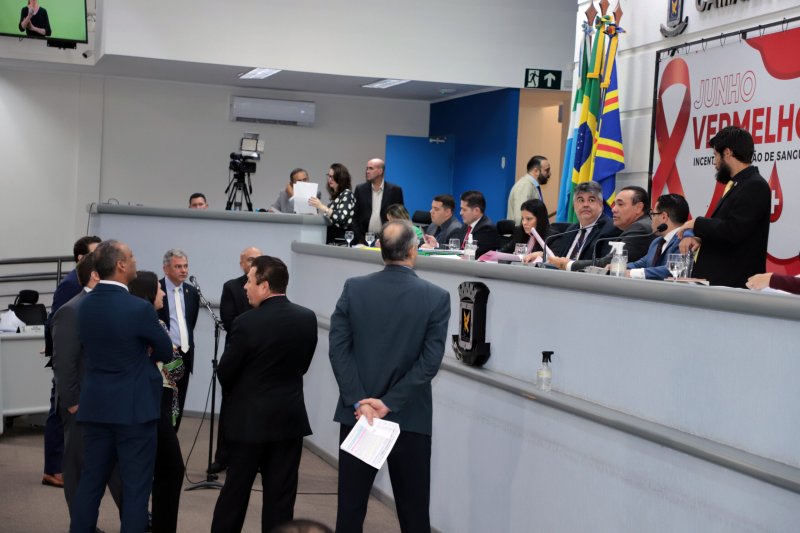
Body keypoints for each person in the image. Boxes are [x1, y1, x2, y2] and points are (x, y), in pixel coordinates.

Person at [329, 220, 450, 533]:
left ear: (381, 250)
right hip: (409, 417)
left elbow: (338, 350)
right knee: (414, 515)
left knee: (350, 511)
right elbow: (429, 363)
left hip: (360, 417)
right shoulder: (436, 297)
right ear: (413, 250)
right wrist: (389, 403)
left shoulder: (354, 288)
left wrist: (360, 401)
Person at [70, 240, 172, 533]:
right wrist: (144, 350)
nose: (136, 260)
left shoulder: (83, 305)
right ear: (120, 265)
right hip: (134, 411)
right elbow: (165, 351)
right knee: (136, 487)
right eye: (132, 256)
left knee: (91, 481)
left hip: (96, 406)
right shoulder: (139, 308)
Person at [211, 256, 317, 533]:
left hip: (248, 423)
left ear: (265, 286)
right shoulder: (307, 318)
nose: (245, 287)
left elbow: (225, 371)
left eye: (249, 281)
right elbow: (303, 366)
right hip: (289, 421)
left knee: (234, 494)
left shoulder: (245, 322)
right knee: (281, 499)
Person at [51, 253, 123, 517]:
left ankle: (134, 516)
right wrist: (73, 403)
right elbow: (64, 363)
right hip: (82, 407)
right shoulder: (71, 310)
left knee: (118, 465)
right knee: (80, 469)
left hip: (112, 403)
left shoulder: (115, 305)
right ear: (95, 275)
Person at [678, 126, 771, 288]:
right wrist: (701, 239)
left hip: (733, 286)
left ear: (727, 153)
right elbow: (727, 231)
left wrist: (696, 223)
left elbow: (734, 230)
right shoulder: (738, 184)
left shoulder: (754, 185)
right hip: (721, 283)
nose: (714, 162)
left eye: (715, 155)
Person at [43, 235, 102, 488]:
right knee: (59, 412)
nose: (102, 256)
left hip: (78, 362)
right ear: (81, 258)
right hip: (70, 362)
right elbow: (56, 319)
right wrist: (53, 349)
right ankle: (53, 469)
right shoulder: (70, 284)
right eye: (96, 253)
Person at [129, 271, 186, 533]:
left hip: (141, 401)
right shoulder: (156, 324)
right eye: (158, 289)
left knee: (144, 470)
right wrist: (170, 356)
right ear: (149, 293)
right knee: (171, 469)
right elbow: (176, 367)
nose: (163, 292)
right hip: (155, 402)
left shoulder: (128, 320)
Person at [210, 245, 263, 475]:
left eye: (259, 259)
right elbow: (229, 321)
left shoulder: (267, 287)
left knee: (257, 411)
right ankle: (223, 457)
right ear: (242, 263)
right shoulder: (231, 287)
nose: (254, 263)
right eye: (250, 259)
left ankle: (255, 459)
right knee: (230, 408)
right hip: (237, 356)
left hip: (260, 358)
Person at [549, 186, 653, 271]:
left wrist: (567, 264)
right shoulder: (573, 229)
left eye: (620, 204)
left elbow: (608, 263)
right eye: (614, 204)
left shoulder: (640, 229)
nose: (613, 209)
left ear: (638, 208)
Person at [158, 249, 200, 430]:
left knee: (179, 403)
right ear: (166, 269)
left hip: (185, 354)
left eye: (185, 266)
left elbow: (191, 322)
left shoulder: (192, 292)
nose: (184, 270)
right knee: (163, 402)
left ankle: (173, 436)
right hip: (164, 355)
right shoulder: (157, 289)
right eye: (178, 266)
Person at [526, 181, 615, 264]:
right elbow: (558, 258)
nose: (585, 205)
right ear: (574, 205)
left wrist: (569, 265)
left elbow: (602, 264)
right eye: (581, 200)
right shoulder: (571, 230)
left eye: (591, 200)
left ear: (601, 204)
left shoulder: (610, 229)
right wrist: (542, 255)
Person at [625, 194, 690, 280]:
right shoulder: (657, 242)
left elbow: (672, 270)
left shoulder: (686, 240)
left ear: (664, 217)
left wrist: (632, 273)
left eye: (653, 214)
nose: (651, 219)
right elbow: (643, 263)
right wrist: (619, 267)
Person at [353, 158, 404, 239]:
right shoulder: (360, 189)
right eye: (367, 168)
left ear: (380, 171)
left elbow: (399, 217)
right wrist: (359, 238)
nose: (367, 171)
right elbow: (354, 216)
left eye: (371, 168)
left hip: (387, 238)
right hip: (363, 238)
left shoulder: (395, 190)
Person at [309, 163, 357, 244]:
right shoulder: (336, 197)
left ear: (341, 178)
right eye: (329, 176)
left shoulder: (347, 194)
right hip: (335, 240)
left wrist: (321, 206)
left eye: (333, 177)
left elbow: (341, 218)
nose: (330, 179)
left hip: (342, 242)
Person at [450, 190, 500, 258]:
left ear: (476, 211)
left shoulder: (487, 229)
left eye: (464, 210)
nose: (460, 213)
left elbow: (473, 255)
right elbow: (456, 249)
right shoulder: (466, 226)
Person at [507, 155, 551, 223]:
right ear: (536, 171)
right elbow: (520, 217)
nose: (549, 174)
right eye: (546, 170)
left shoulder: (532, 186)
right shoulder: (524, 186)